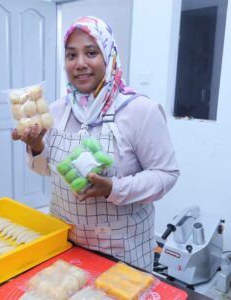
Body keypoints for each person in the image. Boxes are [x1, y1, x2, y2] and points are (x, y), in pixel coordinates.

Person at [12, 16, 179, 271]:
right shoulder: (57, 111)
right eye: (71, 55)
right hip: (66, 243)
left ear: (109, 57)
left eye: (91, 52)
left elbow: (166, 175)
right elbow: (46, 170)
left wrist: (113, 188)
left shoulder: (140, 111)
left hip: (122, 251)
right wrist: (36, 146)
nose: (79, 64)